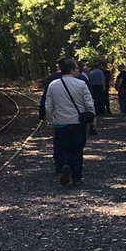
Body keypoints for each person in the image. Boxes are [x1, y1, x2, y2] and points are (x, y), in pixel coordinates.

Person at [44, 58, 96, 186]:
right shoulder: (81, 84)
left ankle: (66, 164)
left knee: (63, 148)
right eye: (77, 68)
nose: (78, 71)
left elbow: (48, 106)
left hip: (61, 122)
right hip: (78, 123)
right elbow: (89, 104)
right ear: (72, 70)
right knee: (77, 150)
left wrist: (51, 121)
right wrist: (93, 120)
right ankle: (76, 178)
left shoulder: (53, 85)